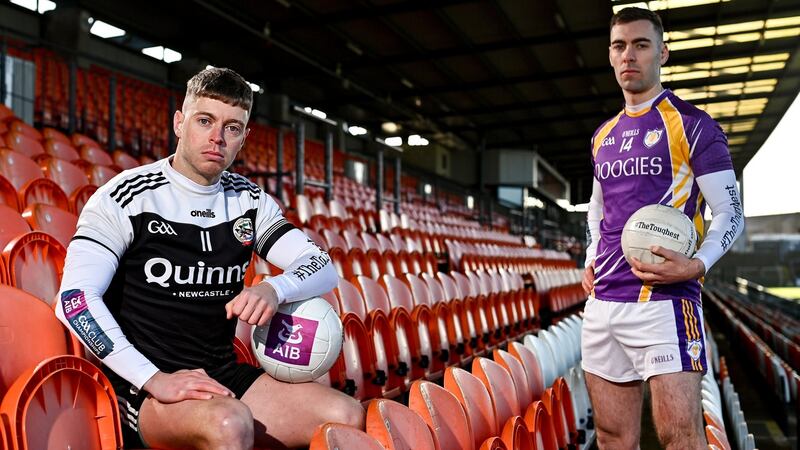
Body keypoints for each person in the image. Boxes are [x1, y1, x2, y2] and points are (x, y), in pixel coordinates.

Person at [56, 67, 364, 450]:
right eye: (205, 121)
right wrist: (153, 379)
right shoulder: (126, 196)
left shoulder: (248, 200)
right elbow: (74, 300)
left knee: (346, 416)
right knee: (228, 423)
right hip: (141, 387)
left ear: (244, 138)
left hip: (221, 374)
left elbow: (322, 267)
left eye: (232, 128)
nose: (217, 138)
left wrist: (275, 288)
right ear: (180, 123)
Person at [581, 7, 743, 450]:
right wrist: (591, 257)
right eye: (619, 45)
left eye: (640, 44)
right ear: (610, 56)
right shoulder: (602, 135)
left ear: (662, 53)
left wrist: (696, 266)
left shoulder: (694, 127)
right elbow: (597, 211)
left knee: (680, 437)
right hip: (602, 305)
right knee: (613, 437)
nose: (628, 55)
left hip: (665, 303)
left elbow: (731, 214)